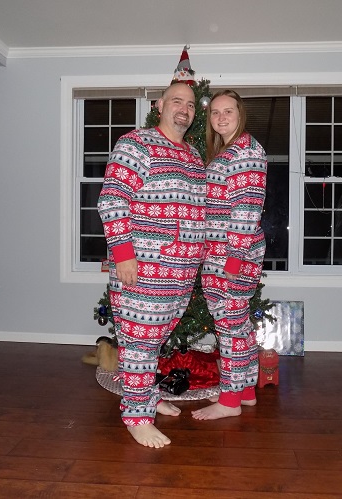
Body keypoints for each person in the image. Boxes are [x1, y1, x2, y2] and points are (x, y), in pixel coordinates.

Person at [97, 82, 206, 447]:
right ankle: (137, 416)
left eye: (190, 104)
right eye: (177, 101)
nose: (184, 108)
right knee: (138, 344)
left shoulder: (193, 156)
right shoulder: (136, 144)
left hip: (181, 272)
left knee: (154, 342)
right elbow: (112, 200)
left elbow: (197, 211)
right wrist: (123, 255)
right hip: (143, 267)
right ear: (160, 105)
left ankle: (149, 396)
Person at [191, 89, 267, 421]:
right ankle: (246, 391)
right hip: (222, 252)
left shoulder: (246, 151)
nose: (221, 117)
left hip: (231, 255)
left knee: (229, 327)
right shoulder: (229, 150)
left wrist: (234, 258)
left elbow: (247, 209)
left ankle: (230, 400)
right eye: (215, 112)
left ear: (240, 114)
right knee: (238, 324)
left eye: (228, 111)